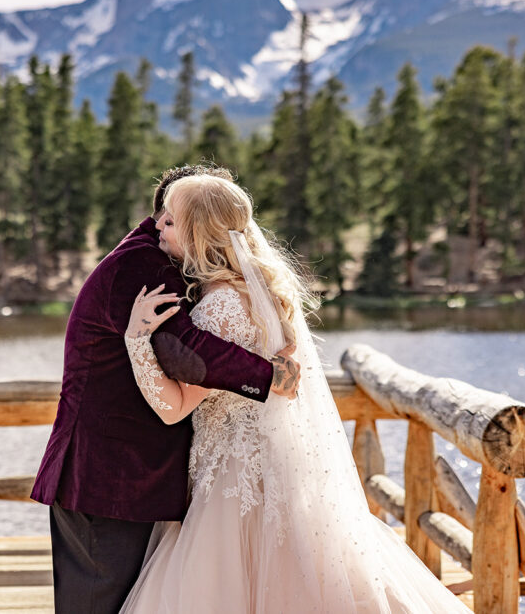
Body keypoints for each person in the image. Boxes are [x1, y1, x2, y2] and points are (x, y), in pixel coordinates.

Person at [119, 174, 472, 613]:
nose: (158, 227)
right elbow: (284, 380)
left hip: (230, 483)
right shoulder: (261, 295)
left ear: (197, 233)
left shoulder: (218, 309)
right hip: (278, 470)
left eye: (170, 221)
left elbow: (173, 409)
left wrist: (136, 339)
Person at [29, 165, 301, 614]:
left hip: (136, 477)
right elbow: (184, 350)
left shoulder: (173, 265)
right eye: (165, 215)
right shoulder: (142, 263)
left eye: (172, 218)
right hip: (104, 477)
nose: (159, 224)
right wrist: (271, 376)